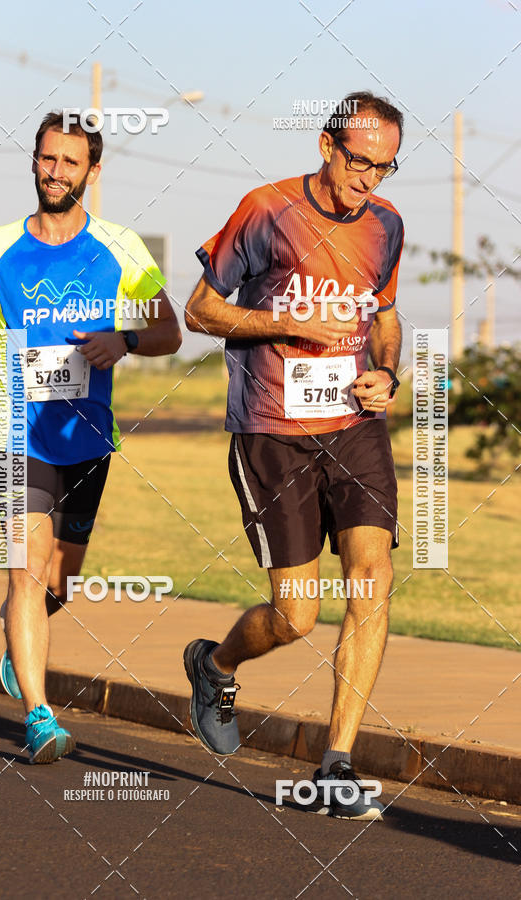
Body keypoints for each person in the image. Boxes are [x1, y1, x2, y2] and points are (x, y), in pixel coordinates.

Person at [0, 110, 181, 764]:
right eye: (48, 158)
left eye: (71, 162)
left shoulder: (123, 246)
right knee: (26, 569)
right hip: (13, 431)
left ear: (92, 172)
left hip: (88, 436)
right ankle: (40, 718)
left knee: (58, 582)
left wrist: (123, 340)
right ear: (34, 161)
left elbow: (169, 332)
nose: (56, 171)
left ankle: (19, 631)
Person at [183, 92, 404, 819]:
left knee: (372, 579)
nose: (369, 178)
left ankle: (337, 764)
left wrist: (386, 372)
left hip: (354, 426)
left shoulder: (386, 225)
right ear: (326, 145)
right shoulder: (266, 210)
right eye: (359, 161)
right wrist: (285, 319)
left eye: (384, 166)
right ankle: (215, 664)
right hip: (272, 431)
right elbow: (200, 309)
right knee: (297, 615)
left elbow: (385, 316)